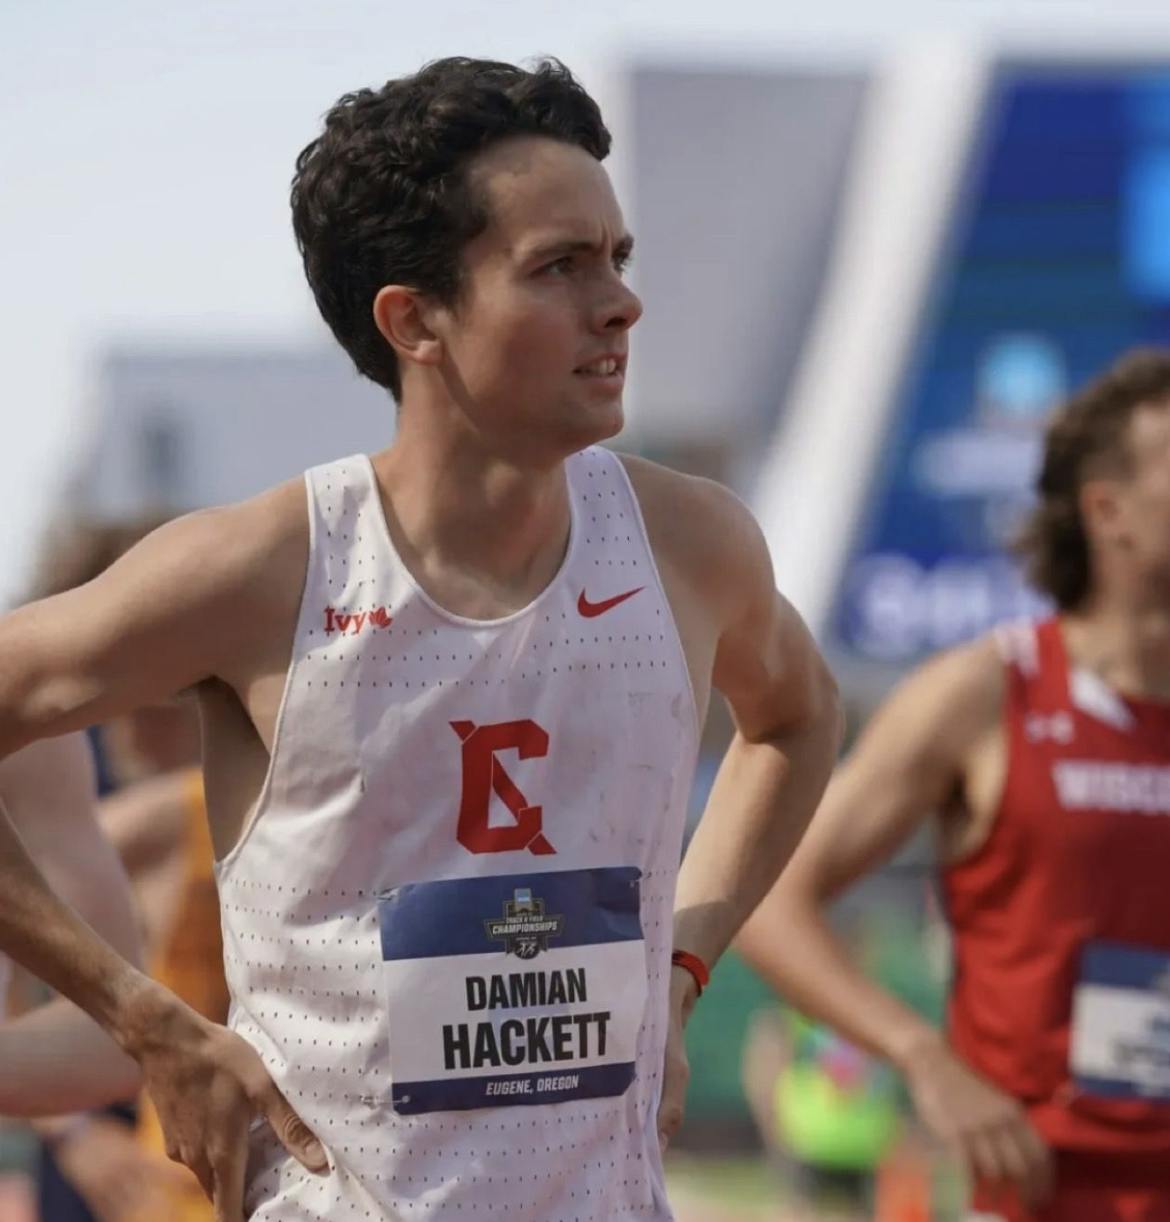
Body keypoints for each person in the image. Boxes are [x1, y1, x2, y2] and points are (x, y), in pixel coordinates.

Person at [0, 56, 841, 1221]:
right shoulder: (263, 569)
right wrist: (139, 1018)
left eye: (618, 257)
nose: (621, 302)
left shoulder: (690, 542)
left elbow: (797, 718)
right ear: (416, 319)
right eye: (558, 267)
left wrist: (680, 970)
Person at [737, 348, 1170, 1222]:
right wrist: (922, 1056)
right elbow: (770, 902)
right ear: (1107, 510)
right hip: (1041, 1193)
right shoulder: (986, 693)